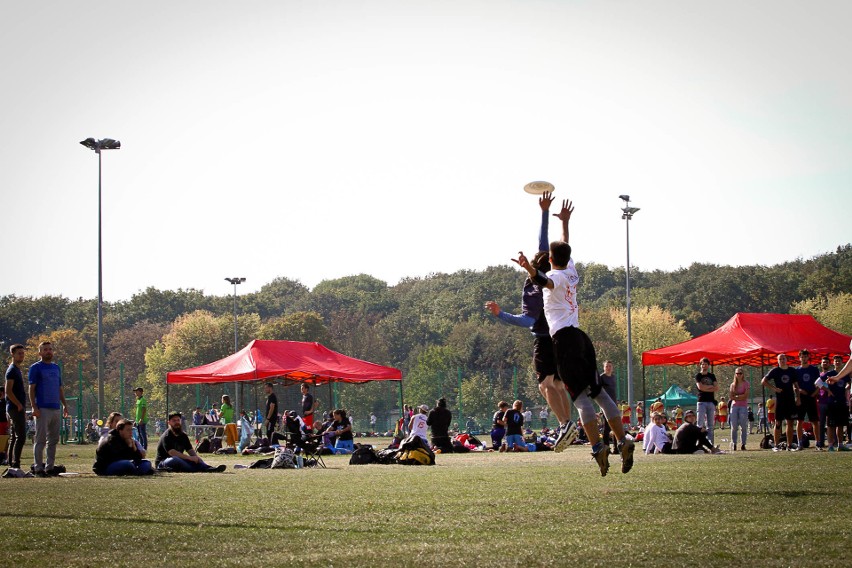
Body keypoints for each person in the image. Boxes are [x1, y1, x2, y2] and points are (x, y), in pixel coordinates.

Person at [514, 200, 635, 477]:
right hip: (582, 338)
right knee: (600, 393)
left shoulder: (555, 276)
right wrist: (565, 222)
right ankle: (623, 439)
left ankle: (598, 448)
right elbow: (565, 246)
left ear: (551, 261)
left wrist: (527, 268)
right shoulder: (570, 271)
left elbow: (542, 281)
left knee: (581, 399)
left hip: (564, 342)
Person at [485, 191, 578, 452]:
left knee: (544, 385)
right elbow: (555, 245)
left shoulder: (539, 287)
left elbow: (527, 321)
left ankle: (564, 424)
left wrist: (500, 314)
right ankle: (569, 423)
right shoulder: (562, 272)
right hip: (564, 335)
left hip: (545, 338)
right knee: (558, 384)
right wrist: (552, 216)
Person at [28, 341, 69, 476]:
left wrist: (64, 405)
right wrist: (34, 406)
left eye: (50, 349)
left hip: (55, 408)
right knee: (40, 440)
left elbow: (60, 388)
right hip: (42, 408)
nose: (48, 351)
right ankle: (38, 468)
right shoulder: (36, 368)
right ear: (40, 352)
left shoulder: (56, 368)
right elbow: (31, 389)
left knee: (53, 440)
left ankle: (50, 467)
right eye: (45, 349)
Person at [155, 412, 225, 472]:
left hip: (180, 460)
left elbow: (190, 449)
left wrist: (196, 458)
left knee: (192, 459)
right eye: (174, 421)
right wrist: (190, 458)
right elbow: (172, 453)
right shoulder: (166, 436)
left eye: (178, 420)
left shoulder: (183, 435)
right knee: (176, 459)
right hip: (163, 463)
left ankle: (209, 468)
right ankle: (200, 469)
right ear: (169, 423)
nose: (176, 422)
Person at [761, 354, 800, 452]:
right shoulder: (775, 371)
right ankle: (776, 445)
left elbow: (796, 385)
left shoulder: (792, 371)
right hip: (780, 400)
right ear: (777, 361)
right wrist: (774, 388)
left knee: (790, 423)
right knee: (778, 423)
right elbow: (763, 381)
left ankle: (789, 445)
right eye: (780, 359)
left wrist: (798, 397)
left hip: (790, 400)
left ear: (787, 360)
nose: (782, 360)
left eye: (783, 359)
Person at [5, 344, 27, 470]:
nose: (21, 355)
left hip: (16, 407)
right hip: (14, 407)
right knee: (21, 436)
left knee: (14, 436)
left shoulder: (17, 369)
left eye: (22, 353)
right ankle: (16, 463)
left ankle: (11, 462)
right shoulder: (12, 370)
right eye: (19, 353)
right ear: (12, 354)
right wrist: (18, 404)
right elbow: (8, 390)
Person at [824, 353, 850, 451]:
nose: (837, 362)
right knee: (831, 425)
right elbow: (817, 382)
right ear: (833, 363)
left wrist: (848, 386)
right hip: (831, 402)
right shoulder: (829, 374)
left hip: (842, 402)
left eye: (839, 360)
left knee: (840, 424)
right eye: (836, 361)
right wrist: (828, 390)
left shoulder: (845, 374)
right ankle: (830, 445)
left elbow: (848, 383)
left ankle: (840, 445)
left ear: (842, 362)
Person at [794, 349, 820, 449]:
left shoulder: (814, 369)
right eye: (802, 357)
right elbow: (795, 385)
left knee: (814, 421)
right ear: (799, 358)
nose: (804, 358)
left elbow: (819, 384)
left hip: (811, 396)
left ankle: (818, 443)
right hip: (801, 397)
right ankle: (800, 443)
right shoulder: (796, 370)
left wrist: (814, 394)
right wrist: (798, 393)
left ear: (808, 357)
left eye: (805, 356)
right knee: (799, 421)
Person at [694, 357, 718, 444]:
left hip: (711, 402)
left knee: (710, 425)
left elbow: (716, 387)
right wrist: (709, 387)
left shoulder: (712, 376)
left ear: (708, 365)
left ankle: (710, 443)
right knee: (700, 424)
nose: (704, 366)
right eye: (702, 364)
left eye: (706, 364)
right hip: (701, 402)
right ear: (700, 365)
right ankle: (698, 443)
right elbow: (700, 387)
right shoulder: (698, 376)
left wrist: (705, 388)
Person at [728, 367, 750, 451]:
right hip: (734, 406)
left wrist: (736, 396)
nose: (738, 375)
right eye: (737, 373)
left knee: (743, 426)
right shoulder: (733, 385)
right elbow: (731, 396)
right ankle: (734, 443)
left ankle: (743, 444)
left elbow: (746, 396)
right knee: (734, 426)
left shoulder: (746, 383)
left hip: (743, 406)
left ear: (743, 374)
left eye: (740, 373)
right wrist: (739, 397)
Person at [599, 360, 617, 449]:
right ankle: (606, 446)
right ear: (604, 368)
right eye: (606, 366)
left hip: (614, 404)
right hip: (605, 404)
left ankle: (616, 447)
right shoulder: (601, 378)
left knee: (615, 426)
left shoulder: (613, 377)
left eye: (610, 366)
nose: (608, 368)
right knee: (607, 427)